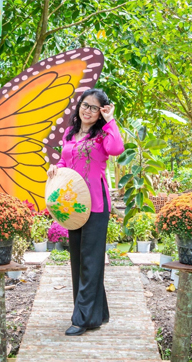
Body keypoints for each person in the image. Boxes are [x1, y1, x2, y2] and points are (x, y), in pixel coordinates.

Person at [47, 89, 124, 336]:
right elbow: (66, 162)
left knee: (91, 260)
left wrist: (111, 120)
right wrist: (55, 168)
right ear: (79, 106)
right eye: (85, 105)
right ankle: (97, 314)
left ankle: (82, 319)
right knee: (79, 260)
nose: (87, 110)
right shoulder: (70, 132)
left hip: (97, 204)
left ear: (101, 112)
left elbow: (117, 149)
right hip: (74, 204)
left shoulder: (103, 135)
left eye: (94, 107)